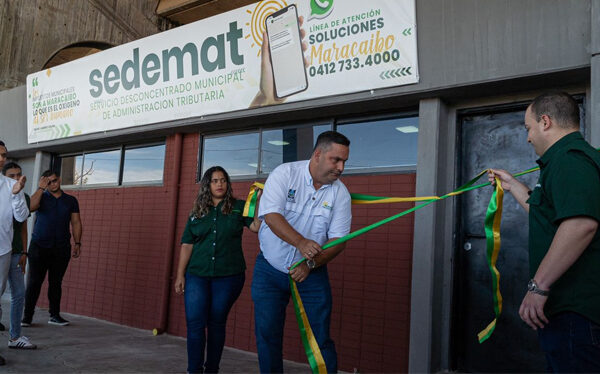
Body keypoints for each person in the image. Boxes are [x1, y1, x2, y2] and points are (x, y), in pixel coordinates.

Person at [488, 91, 600, 372]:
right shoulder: (569, 161)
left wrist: (538, 286)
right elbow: (549, 216)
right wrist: (513, 185)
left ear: (546, 122)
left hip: (575, 312)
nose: (527, 137)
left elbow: (580, 224)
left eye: (528, 128)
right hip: (571, 312)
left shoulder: (569, 160)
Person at [252, 131, 352, 373]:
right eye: (335, 160)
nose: (340, 168)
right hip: (269, 271)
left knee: (320, 338)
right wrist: (300, 242)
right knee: (267, 334)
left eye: (344, 162)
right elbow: (271, 217)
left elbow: (339, 241)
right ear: (317, 154)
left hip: (311, 273)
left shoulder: (340, 193)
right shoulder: (284, 174)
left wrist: (310, 265)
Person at [174, 166, 261, 373]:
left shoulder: (239, 207)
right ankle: (193, 370)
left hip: (228, 277)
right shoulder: (197, 212)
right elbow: (187, 244)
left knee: (216, 323)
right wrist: (180, 275)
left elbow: (256, 227)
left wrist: (256, 202)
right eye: (214, 181)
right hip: (197, 275)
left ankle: (212, 369)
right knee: (195, 323)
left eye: (223, 180)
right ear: (207, 185)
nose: (219, 184)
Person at [22, 169, 82, 327]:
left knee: (56, 282)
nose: (52, 184)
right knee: (35, 282)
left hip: (61, 248)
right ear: (44, 183)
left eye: (54, 180)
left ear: (59, 179)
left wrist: (77, 243)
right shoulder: (41, 196)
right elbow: (30, 208)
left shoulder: (71, 200)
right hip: (39, 246)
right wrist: (41, 189)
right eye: (48, 182)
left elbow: (76, 222)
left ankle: (54, 315)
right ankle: (27, 317)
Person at [0, 140, 29, 365]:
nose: (2, 158)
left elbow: (21, 218)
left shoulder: (10, 186)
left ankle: (13, 338)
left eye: (4, 154)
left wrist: (18, 194)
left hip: (3, 251)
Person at [1, 162, 36, 349]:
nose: (16, 179)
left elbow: (23, 227)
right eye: (12, 175)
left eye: (19, 175)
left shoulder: (24, 196)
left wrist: (24, 251)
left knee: (19, 294)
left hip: (14, 253)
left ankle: (15, 337)